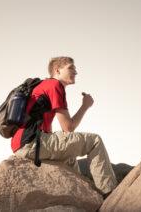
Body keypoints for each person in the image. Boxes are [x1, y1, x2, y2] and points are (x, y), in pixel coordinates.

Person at [12, 56, 118, 196]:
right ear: (57, 70)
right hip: (32, 143)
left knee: (69, 157)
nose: (75, 72)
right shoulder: (55, 85)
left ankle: (84, 195)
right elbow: (68, 127)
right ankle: (110, 194)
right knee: (94, 141)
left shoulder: (43, 86)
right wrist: (85, 106)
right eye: (71, 68)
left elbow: (64, 133)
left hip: (24, 144)